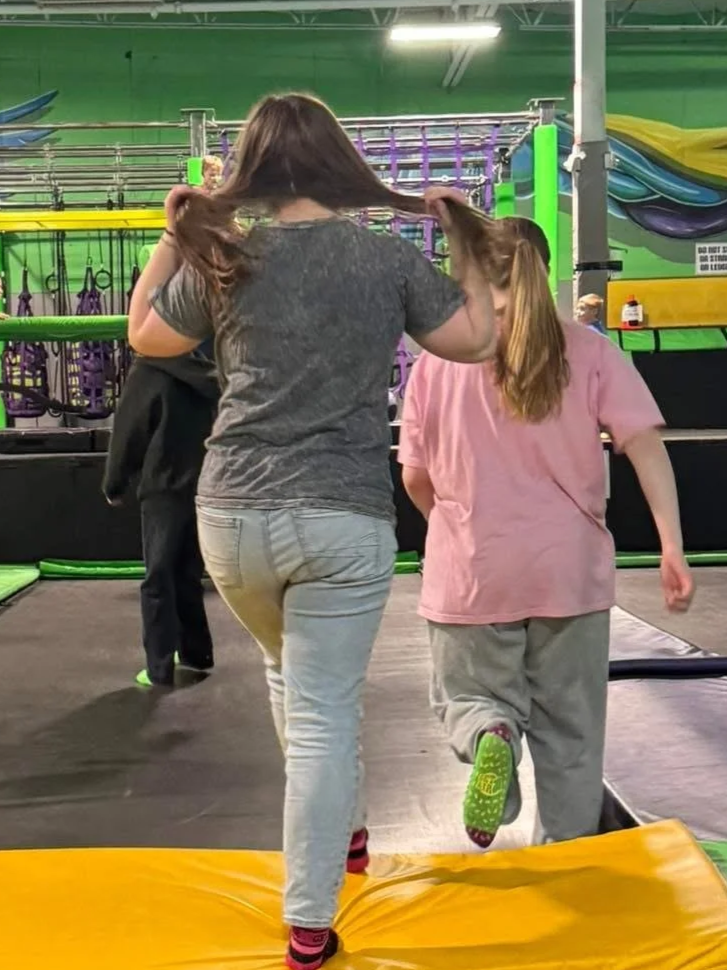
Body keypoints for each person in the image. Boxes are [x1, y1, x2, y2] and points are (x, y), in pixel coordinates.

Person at [125, 93, 500, 970]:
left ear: (252, 171)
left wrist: (181, 227)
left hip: (232, 516)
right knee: (323, 710)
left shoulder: (225, 258)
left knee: (287, 673)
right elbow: (480, 339)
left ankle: (350, 833)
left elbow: (146, 335)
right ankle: (306, 922)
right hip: (339, 517)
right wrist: (466, 245)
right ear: (343, 166)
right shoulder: (385, 260)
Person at [399, 216, 694, 853]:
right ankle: (567, 861)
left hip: (472, 571)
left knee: (470, 699)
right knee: (571, 739)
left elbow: (417, 477)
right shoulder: (589, 352)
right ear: (545, 268)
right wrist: (671, 543)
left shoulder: (437, 360)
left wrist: (451, 531)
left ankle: (489, 737)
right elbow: (645, 446)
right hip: (568, 572)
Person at [103, 347, 219, 687]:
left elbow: (129, 429)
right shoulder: (209, 369)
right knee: (187, 572)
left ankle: (159, 667)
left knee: (158, 576)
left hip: (163, 488)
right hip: (203, 484)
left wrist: (114, 482)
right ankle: (197, 654)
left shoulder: (149, 370)